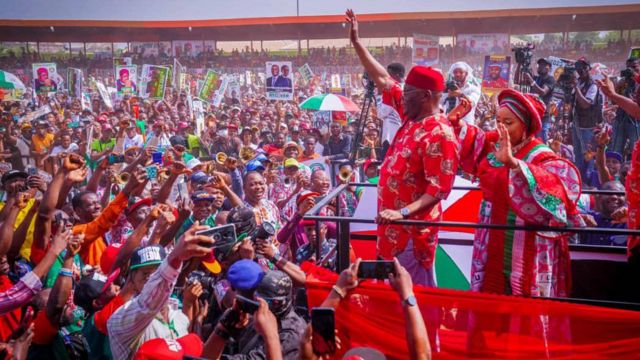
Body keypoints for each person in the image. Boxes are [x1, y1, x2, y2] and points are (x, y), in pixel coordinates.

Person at [450, 89, 583, 297]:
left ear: (525, 125)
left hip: (526, 245)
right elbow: (474, 141)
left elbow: (555, 192)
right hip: (492, 236)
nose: (501, 127)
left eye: (509, 122)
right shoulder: (496, 143)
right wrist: (456, 123)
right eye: (498, 120)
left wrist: (513, 164)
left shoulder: (542, 156)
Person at [374, 65, 459, 287]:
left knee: (413, 297)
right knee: (394, 297)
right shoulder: (412, 118)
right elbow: (384, 79)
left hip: (411, 234)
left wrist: (401, 212)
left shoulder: (439, 134)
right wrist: (356, 43)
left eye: (408, 93)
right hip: (391, 231)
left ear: (425, 96)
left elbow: (438, 189)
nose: (402, 98)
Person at [108, 230, 214, 359]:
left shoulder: (178, 317)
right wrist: (175, 258)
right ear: (132, 279)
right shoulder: (121, 319)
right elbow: (148, 304)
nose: (152, 278)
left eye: (157, 271)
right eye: (145, 273)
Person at [347, 9, 405, 149]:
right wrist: (355, 40)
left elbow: (381, 113)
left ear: (396, 77)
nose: (381, 80)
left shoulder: (398, 91)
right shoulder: (396, 91)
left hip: (399, 142)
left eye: (388, 75)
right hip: (394, 141)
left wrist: (356, 40)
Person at [571, 59, 603, 178]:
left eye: (584, 67)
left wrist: (576, 87)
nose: (582, 70)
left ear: (589, 68)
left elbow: (585, 104)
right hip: (576, 124)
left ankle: (588, 179)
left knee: (588, 155)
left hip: (587, 127)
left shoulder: (593, 85)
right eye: (579, 68)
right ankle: (579, 178)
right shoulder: (578, 82)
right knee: (577, 154)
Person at [610, 57, 640, 155]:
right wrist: (617, 87)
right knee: (615, 149)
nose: (630, 70)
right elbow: (614, 102)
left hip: (636, 121)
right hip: (620, 118)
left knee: (636, 151)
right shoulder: (623, 82)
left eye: (634, 67)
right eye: (628, 68)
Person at [522, 58, 556, 141]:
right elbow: (517, 80)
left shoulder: (550, 79)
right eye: (539, 65)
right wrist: (520, 63)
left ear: (549, 68)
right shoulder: (536, 78)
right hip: (532, 116)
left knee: (541, 143)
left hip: (542, 117)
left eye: (543, 65)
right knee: (530, 142)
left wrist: (531, 80)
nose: (540, 67)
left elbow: (543, 92)